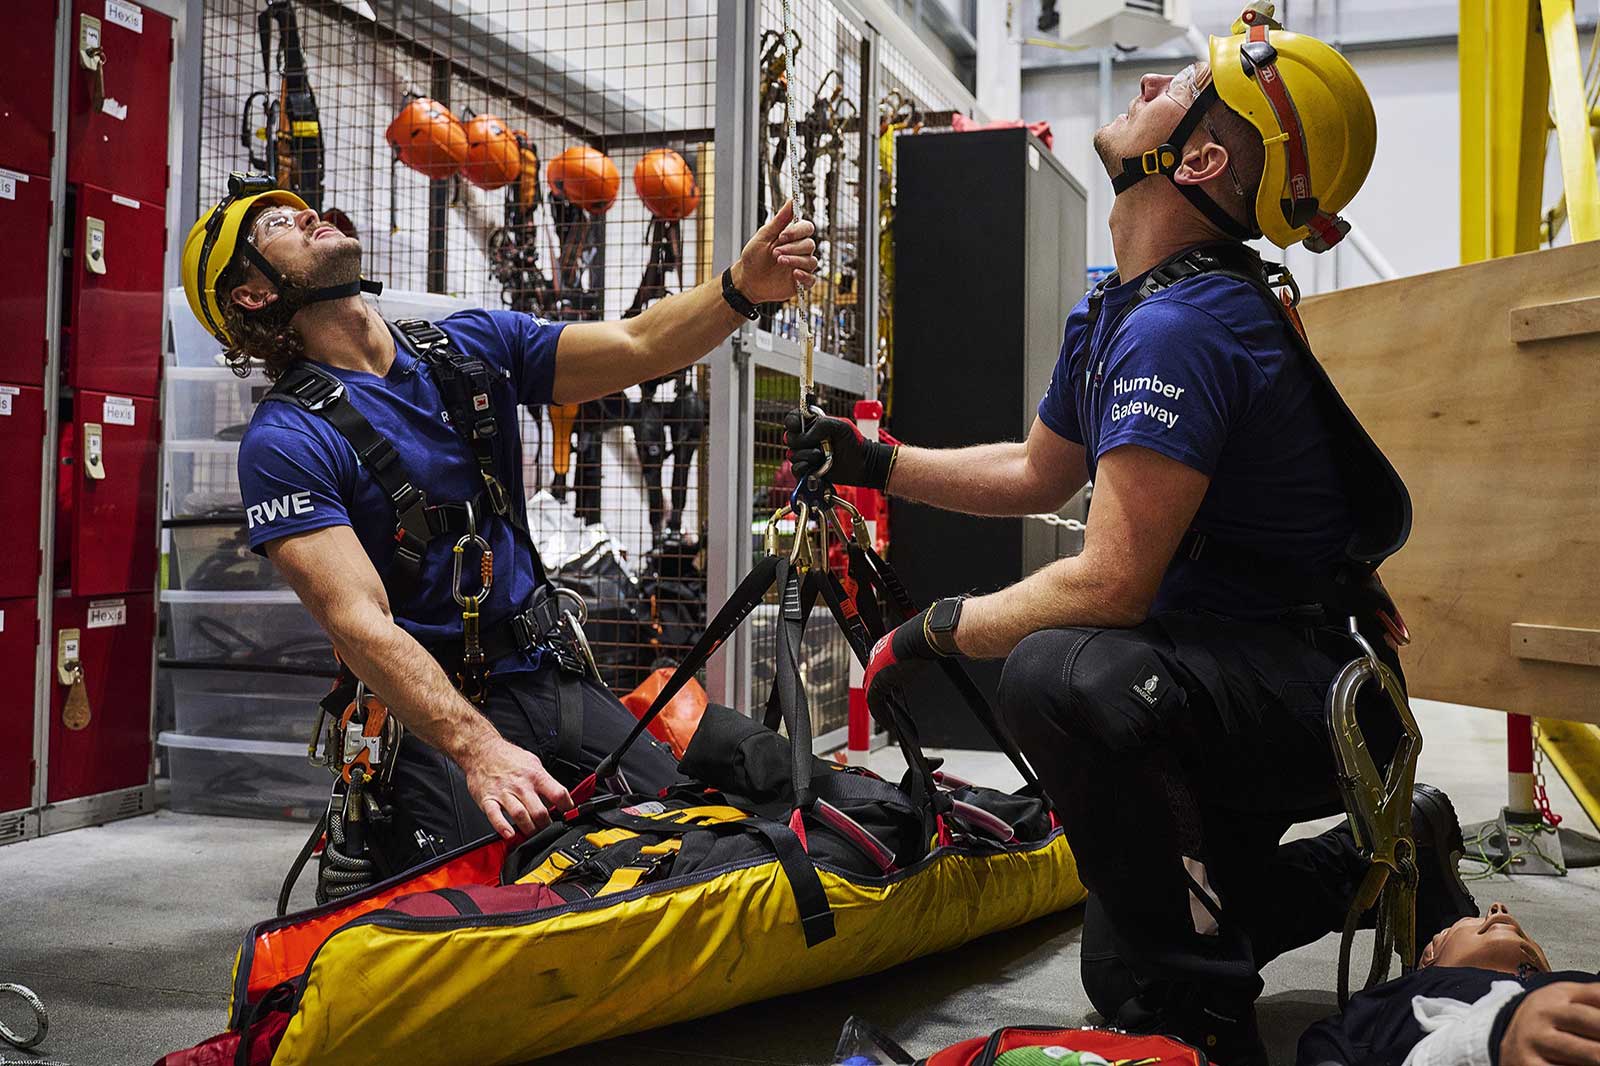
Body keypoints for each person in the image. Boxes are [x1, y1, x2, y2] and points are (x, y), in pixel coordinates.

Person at [784, 4, 1474, 1061]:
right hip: (1232, 670)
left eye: (1171, 90)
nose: (1144, 88)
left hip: (1295, 693)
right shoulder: (1121, 309)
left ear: (1196, 156)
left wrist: (927, 631)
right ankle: (1395, 853)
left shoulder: (1180, 328)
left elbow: (1109, 584)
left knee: (1061, 674)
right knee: (1126, 957)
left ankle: (1196, 1017)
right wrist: (877, 463)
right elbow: (1032, 472)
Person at [181, 172, 816, 878]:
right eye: (276, 226)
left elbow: (639, 344)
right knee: (500, 897)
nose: (306, 218)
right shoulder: (287, 439)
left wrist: (740, 290)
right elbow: (360, 622)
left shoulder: (468, 347)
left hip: (548, 676)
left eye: (302, 212)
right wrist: (479, 752)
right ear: (254, 294)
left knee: (706, 844)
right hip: (432, 712)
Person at [1298, 902, 1600, 1066]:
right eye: (1470, 922)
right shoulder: (1408, 992)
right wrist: (1486, 1043)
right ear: (1429, 955)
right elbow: (1326, 1047)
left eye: (1525, 937)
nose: (1499, 909)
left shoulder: (1577, 983)